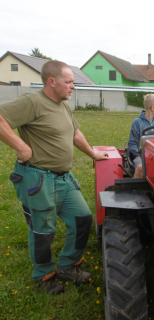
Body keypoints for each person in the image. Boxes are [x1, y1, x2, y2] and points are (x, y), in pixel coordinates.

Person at [0, 60, 109, 294]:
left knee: (82, 219)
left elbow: (75, 133)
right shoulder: (33, 102)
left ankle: (68, 266)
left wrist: (93, 154)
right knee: (43, 231)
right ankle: (44, 275)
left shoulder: (63, 105)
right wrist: (22, 148)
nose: (73, 86)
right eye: (69, 81)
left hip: (63, 178)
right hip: (38, 179)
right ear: (52, 81)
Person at [128, 94, 154, 178]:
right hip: (140, 156)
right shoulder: (137, 122)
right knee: (141, 168)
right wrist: (141, 153)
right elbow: (132, 144)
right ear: (152, 107)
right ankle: (135, 189)